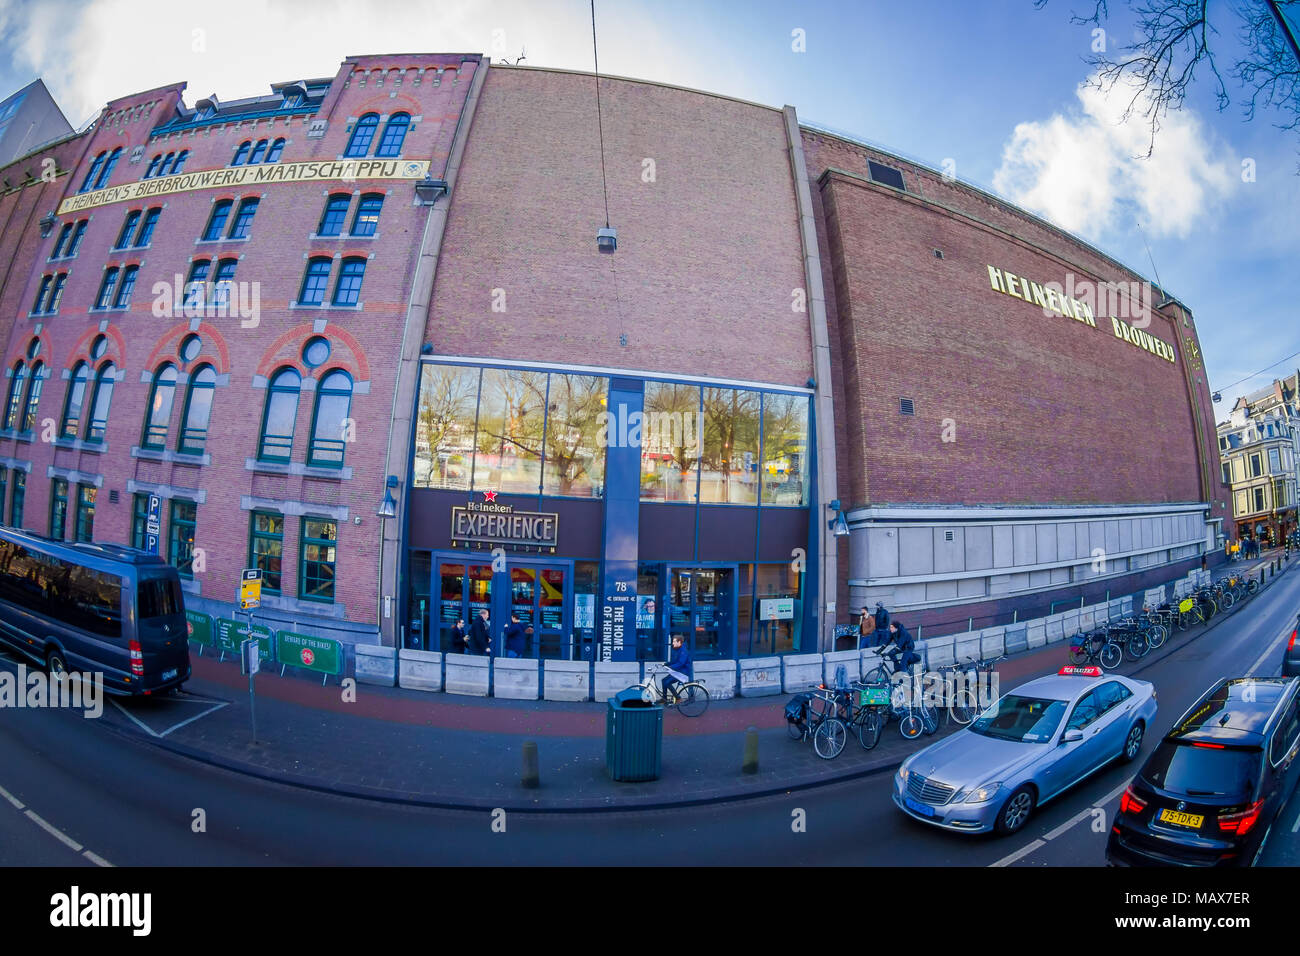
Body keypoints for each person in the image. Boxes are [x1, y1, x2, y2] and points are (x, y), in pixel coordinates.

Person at [661, 633, 693, 702]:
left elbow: (681, 663)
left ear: (679, 642)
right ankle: (664, 698)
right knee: (663, 680)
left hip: (683, 673)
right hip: (678, 671)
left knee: (667, 683)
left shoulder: (683, 651)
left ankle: (678, 698)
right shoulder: (678, 649)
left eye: (674, 641)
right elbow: (675, 661)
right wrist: (666, 664)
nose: (672, 643)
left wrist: (670, 667)